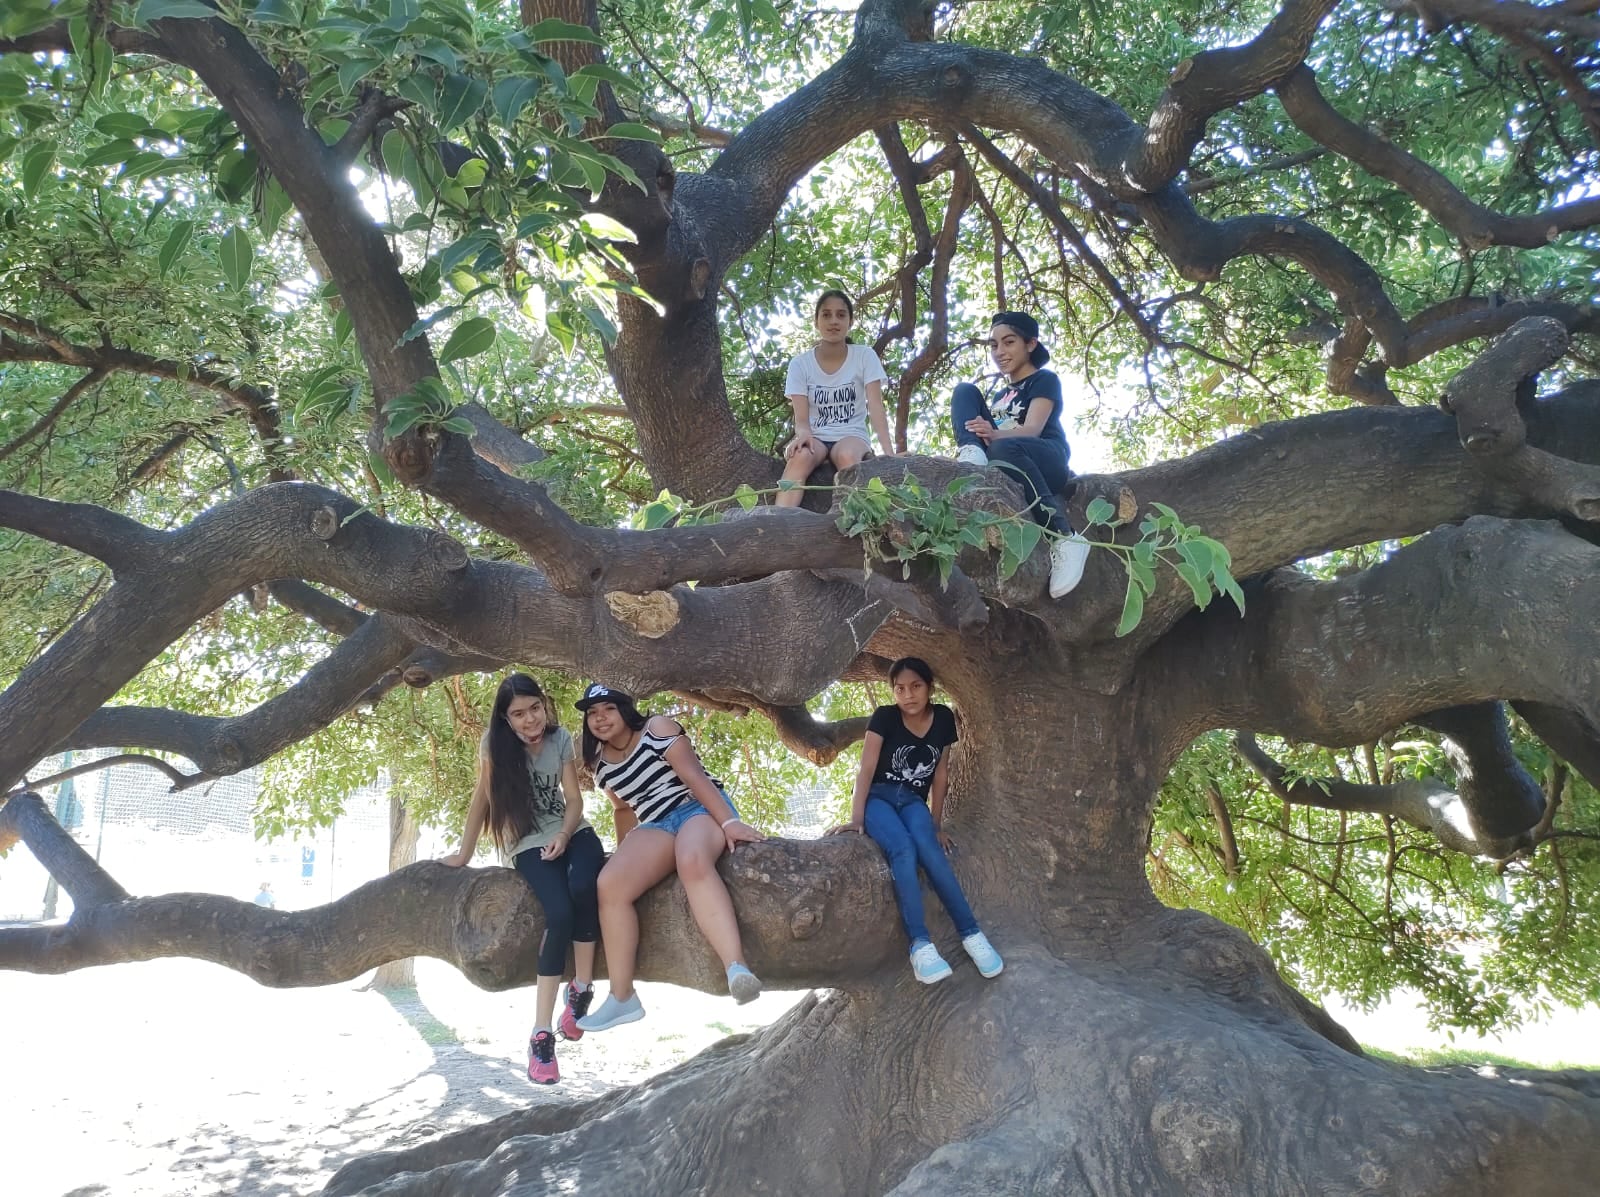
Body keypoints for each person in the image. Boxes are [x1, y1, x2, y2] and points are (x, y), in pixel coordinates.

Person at [440, 673, 604, 1085]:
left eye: (535, 709)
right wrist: (464, 851)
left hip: (574, 831)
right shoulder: (493, 747)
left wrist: (566, 835)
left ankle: (581, 990)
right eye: (519, 714)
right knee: (560, 913)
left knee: (587, 887)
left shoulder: (561, 738)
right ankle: (541, 1034)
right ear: (505, 720)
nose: (531, 720)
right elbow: (481, 799)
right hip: (528, 842)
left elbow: (574, 800)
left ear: (544, 706)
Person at [573, 683, 766, 1031]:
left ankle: (736, 967)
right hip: (656, 824)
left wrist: (730, 822)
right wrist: (625, 856)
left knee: (691, 859)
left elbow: (694, 776)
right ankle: (622, 997)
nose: (600, 718)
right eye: (592, 713)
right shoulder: (600, 765)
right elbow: (623, 809)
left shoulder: (658, 728)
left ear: (625, 710)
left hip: (697, 809)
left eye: (608, 709)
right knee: (610, 884)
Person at [828, 657, 1003, 984]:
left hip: (912, 801)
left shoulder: (943, 719)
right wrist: (856, 817)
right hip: (878, 798)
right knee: (903, 849)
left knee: (929, 849)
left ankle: (972, 934)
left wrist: (936, 825)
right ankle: (921, 947)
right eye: (900, 688)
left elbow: (940, 772)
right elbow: (865, 769)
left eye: (916, 686)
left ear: (929, 687)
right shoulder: (884, 717)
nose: (908, 695)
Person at [951, 311, 1089, 598]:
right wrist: (983, 439)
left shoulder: (1043, 380)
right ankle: (971, 452)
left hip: (1045, 457)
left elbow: (1032, 429)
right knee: (965, 390)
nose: (999, 352)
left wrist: (992, 434)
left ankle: (1065, 538)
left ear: (1030, 344)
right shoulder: (1000, 396)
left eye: (1009, 342)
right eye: (993, 345)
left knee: (1002, 448)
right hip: (1005, 458)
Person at [776, 289, 896, 507]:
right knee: (799, 458)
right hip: (817, 437)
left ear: (850, 321)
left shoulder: (864, 356)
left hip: (852, 435)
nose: (833, 321)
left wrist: (889, 453)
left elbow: (876, 406)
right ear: (816, 321)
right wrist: (802, 435)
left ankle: (863, 525)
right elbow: (801, 420)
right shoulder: (800, 364)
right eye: (826, 314)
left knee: (848, 455)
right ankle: (777, 525)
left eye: (841, 315)